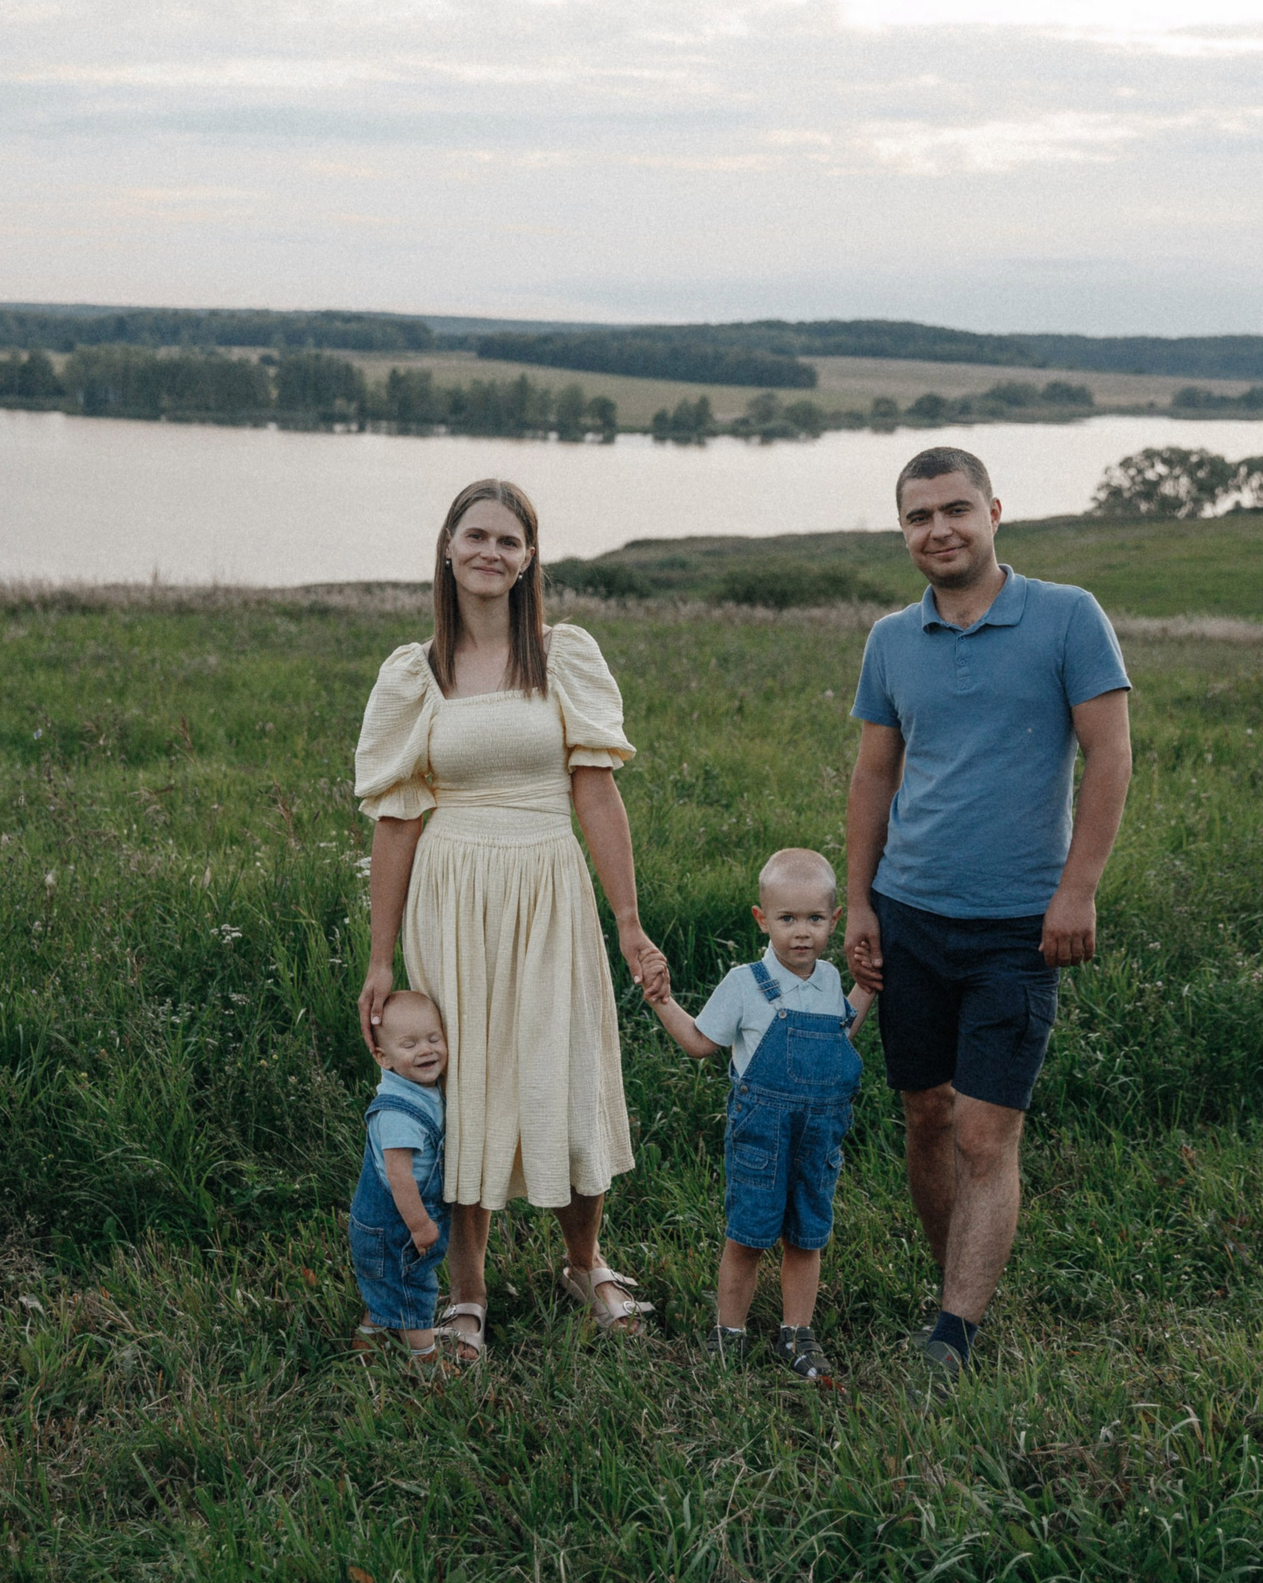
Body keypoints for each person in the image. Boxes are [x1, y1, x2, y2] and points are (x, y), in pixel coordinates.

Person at [355, 477, 671, 1362]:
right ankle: (466, 1291)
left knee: (563, 1065)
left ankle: (585, 1259)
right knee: (468, 1084)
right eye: (477, 534)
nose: (492, 552)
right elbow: (397, 821)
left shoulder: (563, 654)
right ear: (448, 545)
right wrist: (382, 959)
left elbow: (596, 790)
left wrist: (629, 921)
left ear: (531, 557)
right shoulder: (412, 674)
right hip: (453, 895)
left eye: (510, 540)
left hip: (548, 883)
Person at [843, 446, 1133, 1381]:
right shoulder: (891, 638)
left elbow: (1110, 757)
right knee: (925, 1113)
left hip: (1018, 923)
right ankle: (952, 1287)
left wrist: (1077, 888)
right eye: (920, 516)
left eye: (956, 509)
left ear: (995, 511)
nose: (940, 530)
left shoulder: (1067, 617)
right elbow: (874, 773)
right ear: (904, 531)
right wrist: (858, 900)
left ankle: (956, 1334)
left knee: (982, 1131)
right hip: (909, 911)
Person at [645, 848, 872, 1383]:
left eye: (815, 920)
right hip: (761, 1136)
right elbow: (701, 1044)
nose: (801, 933)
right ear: (761, 919)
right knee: (748, 1233)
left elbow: (838, 1039)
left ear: (834, 921)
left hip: (818, 1136)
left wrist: (867, 987)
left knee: (807, 1234)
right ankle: (729, 1333)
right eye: (787, 919)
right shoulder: (745, 983)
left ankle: (797, 1332)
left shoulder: (830, 982)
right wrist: (661, 1001)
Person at [349, 990, 453, 1366]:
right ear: (383, 1058)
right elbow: (399, 1177)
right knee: (413, 1292)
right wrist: (421, 1225)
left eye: (433, 1038)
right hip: (397, 1226)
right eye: (408, 1044)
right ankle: (426, 1367)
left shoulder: (419, 1088)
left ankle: (368, 1341)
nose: (425, 1050)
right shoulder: (399, 1113)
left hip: (385, 1227)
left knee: (387, 1287)